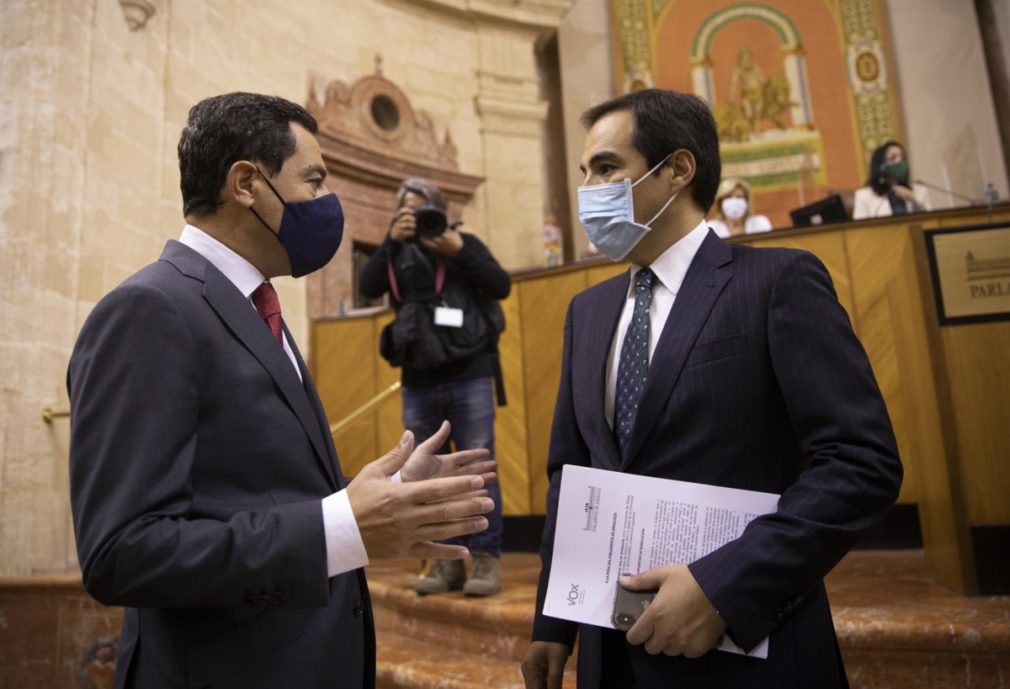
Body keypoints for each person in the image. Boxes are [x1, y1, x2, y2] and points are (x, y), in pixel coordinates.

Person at [68, 92, 498, 689]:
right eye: (315, 181)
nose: (326, 203)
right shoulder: (150, 310)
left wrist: (379, 496)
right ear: (246, 183)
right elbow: (124, 552)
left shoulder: (252, 303)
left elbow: (250, 488)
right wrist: (343, 528)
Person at [521, 89, 902, 688]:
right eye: (585, 173)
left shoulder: (777, 282)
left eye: (607, 168)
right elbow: (572, 477)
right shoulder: (587, 312)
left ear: (677, 169)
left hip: (745, 647)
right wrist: (552, 624)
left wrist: (723, 588)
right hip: (611, 650)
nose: (588, 189)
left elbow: (861, 463)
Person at [359, 178, 511, 597]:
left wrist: (458, 251)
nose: (415, 218)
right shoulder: (398, 253)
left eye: (423, 209)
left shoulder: (464, 244)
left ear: (440, 211)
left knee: (478, 469)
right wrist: (391, 242)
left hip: (471, 373)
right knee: (423, 475)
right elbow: (368, 286)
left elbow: (501, 284)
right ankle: (445, 562)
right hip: (419, 379)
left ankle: (484, 558)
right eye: (406, 211)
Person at [853, 140, 931, 219]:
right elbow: (859, 229)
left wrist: (914, 200)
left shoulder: (918, 190)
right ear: (881, 166)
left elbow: (931, 221)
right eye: (893, 158)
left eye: (903, 157)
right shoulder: (863, 196)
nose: (899, 161)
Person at [707, 178, 772, 238]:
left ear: (747, 201)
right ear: (720, 202)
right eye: (728, 197)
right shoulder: (712, 228)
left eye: (739, 197)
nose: (734, 201)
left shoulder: (760, 223)